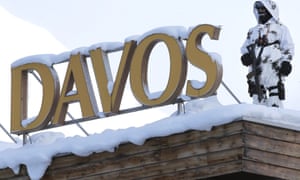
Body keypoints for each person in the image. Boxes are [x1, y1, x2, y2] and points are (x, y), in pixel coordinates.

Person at [240, 0, 294, 108]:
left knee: (275, 95)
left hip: (273, 67)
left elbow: (288, 47)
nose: (260, 11)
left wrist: (286, 62)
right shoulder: (253, 31)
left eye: (263, 8)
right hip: (256, 69)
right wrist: (245, 55)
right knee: (257, 97)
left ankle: (276, 119)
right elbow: (245, 47)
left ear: (270, 9)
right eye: (258, 9)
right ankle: (258, 117)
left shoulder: (280, 28)